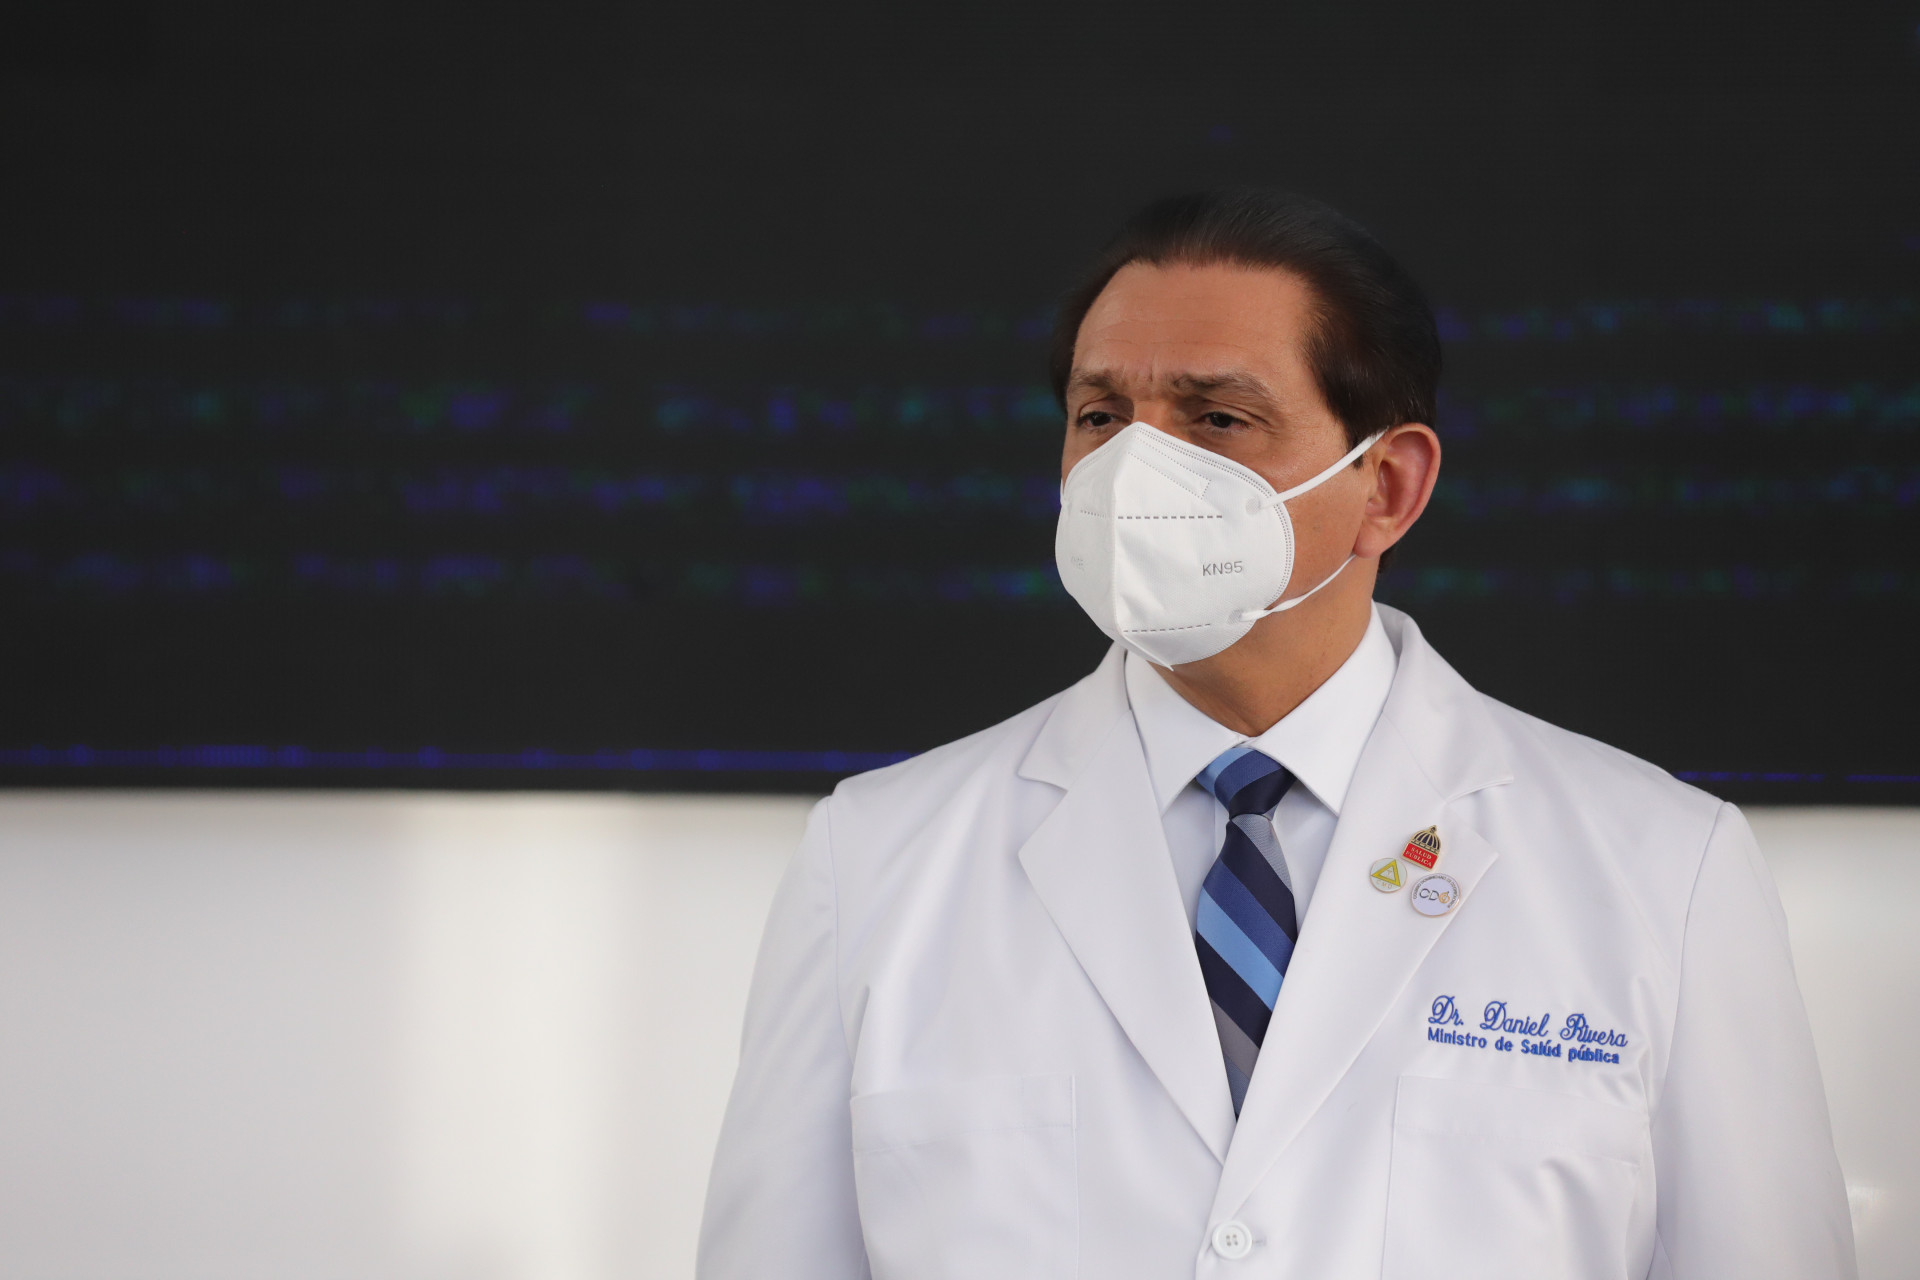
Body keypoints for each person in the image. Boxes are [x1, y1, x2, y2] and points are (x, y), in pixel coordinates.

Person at [696, 190, 1854, 1279]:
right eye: (1100, 415)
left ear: (1387, 485)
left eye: (1218, 417)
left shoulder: (1663, 867)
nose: (1135, 468)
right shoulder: (875, 858)